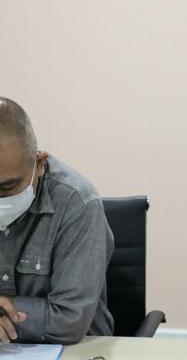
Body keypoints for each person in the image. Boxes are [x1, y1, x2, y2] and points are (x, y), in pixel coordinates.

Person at [0, 97, 114, 344]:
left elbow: (70, 319)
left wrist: (4, 311)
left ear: (39, 164)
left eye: (7, 187)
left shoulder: (78, 203)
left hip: (76, 350)